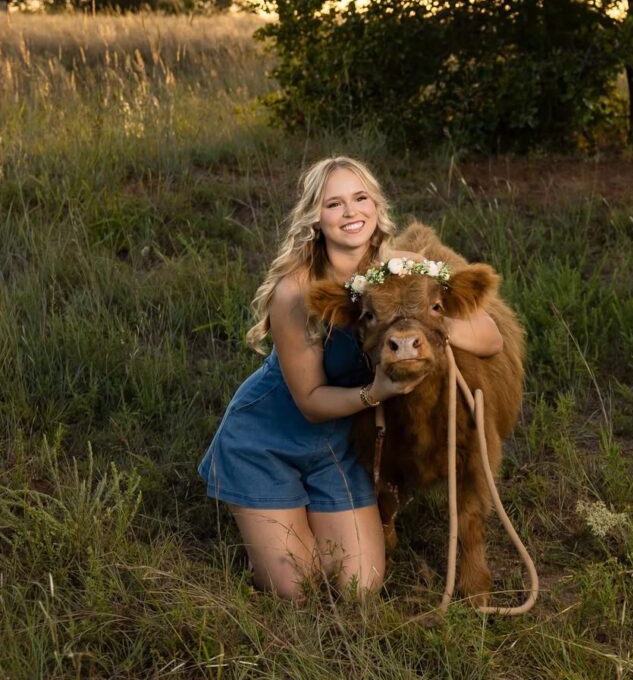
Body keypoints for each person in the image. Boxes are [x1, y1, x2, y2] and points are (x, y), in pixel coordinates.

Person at [198, 155, 503, 600]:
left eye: (360, 198)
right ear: (315, 219)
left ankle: (292, 528)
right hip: (270, 438)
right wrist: (375, 392)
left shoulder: (403, 267)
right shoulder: (297, 292)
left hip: (341, 443)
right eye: (333, 204)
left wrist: (432, 324)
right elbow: (310, 401)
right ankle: (266, 534)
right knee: (296, 586)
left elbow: (491, 338)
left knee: (360, 586)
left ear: (377, 207)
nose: (350, 213)